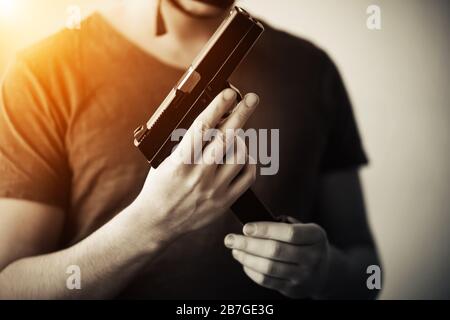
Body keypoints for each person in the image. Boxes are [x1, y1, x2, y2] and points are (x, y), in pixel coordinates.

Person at [0, 0, 380, 299]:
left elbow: (368, 275)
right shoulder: (45, 73)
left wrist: (325, 272)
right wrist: (151, 224)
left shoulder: (311, 71)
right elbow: (9, 287)